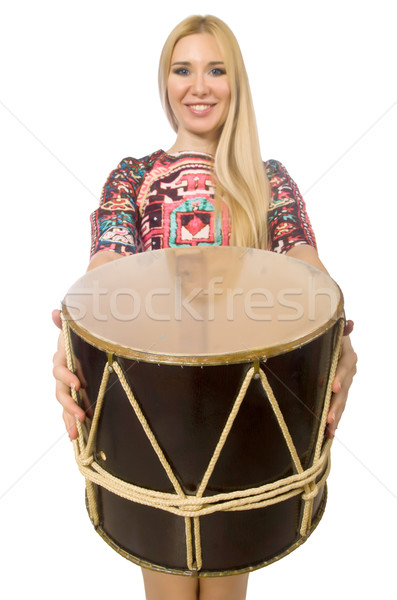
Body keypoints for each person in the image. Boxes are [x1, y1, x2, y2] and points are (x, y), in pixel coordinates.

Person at [52, 14, 357, 600]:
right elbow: (102, 275)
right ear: (164, 83)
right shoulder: (132, 178)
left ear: (236, 83)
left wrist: (338, 334)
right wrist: (66, 349)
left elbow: (306, 266)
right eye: (182, 69)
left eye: (216, 70)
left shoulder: (269, 182)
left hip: (240, 414)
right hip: (155, 404)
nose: (199, 86)